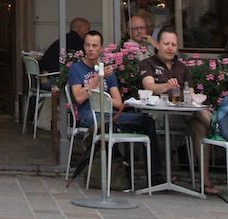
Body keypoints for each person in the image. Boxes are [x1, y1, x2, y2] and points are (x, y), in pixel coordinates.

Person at [69, 29, 161, 179]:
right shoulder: (76, 69)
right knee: (107, 124)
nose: (90, 49)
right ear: (83, 47)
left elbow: (118, 103)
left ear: (101, 48)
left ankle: (155, 175)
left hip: (110, 114)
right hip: (89, 114)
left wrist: (103, 98)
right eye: (87, 45)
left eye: (94, 46)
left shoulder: (107, 71)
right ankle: (121, 167)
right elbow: (79, 98)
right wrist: (98, 79)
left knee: (146, 121)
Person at [140, 25, 214, 192]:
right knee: (204, 118)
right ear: (157, 45)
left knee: (200, 126)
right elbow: (149, 86)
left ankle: (205, 181)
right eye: (166, 44)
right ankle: (219, 129)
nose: (170, 48)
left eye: (173, 44)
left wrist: (189, 96)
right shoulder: (148, 63)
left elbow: (191, 94)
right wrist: (166, 85)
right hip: (158, 115)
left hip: (182, 114)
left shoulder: (182, 67)